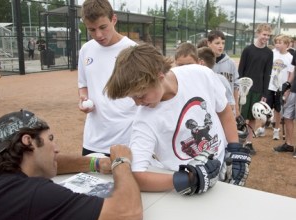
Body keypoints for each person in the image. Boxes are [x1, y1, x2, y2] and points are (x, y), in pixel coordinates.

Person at [104, 44, 251, 195]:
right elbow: (136, 176)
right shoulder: (145, 120)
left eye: (140, 95)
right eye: (132, 97)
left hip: (219, 166)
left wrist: (234, 147)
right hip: (187, 187)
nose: (137, 102)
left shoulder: (201, 74)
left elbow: (224, 111)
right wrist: (187, 179)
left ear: (159, 77)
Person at [0, 109, 143, 220]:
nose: (56, 149)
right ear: (28, 141)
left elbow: (48, 164)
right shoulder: (34, 195)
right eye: (50, 139)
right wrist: (121, 162)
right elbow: (127, 214)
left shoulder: (4, 176)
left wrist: (95, 163)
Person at [78, 0, 137, 157]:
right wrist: (83, 99)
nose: (98, 35)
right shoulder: (86, 50)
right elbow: (83, 85)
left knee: (125, 181)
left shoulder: (132, 50)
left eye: (103, 27)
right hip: (93, 139)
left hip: (126, 139)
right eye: (92, 30)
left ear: (114, 19)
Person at [238, 23, 273, 155]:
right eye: (264, 34)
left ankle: (248, 143)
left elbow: (267, 73)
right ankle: (239, 142)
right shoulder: (248, 50)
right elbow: (241, 70)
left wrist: (264, 93)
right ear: (258, 33)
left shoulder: (269, 53)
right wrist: (239, 88)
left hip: (258, 90)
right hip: (244, 89)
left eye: (268, 35)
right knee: (241, 116)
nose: (266, 37)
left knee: (252, 117)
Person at [255, 34, 294, 140]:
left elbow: (291, 74)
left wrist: (287, 89)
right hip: (270, 86)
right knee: (265, 108)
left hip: (281, 88)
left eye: (279, 42)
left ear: (286, 44)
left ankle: (276, 130)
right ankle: (262, 128)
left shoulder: (290, 57)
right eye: (276, 42)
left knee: (278, 110)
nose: (276, 44)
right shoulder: (272, 54)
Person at [207, 30, 240, 117]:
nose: (221, 46)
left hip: (227, 106)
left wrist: (236, 106)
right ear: (209, 43)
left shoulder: (231, 63)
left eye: (223, 43)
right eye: (217, 43)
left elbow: (236, 86)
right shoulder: (204, 63)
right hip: (210, 106)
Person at [273, 48, 296, 156]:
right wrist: (288, 84)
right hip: (294, 89)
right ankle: (289, 144)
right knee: (287, 116)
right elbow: (294, 69)